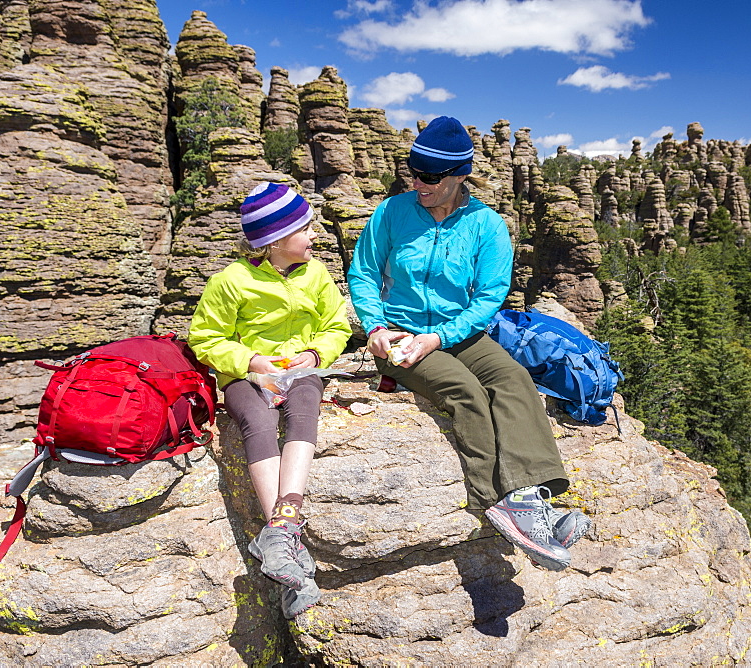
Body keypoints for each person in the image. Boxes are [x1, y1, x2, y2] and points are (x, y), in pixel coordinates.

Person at [347, 116, 590, 571]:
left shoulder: (487, 225)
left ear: (460, 175)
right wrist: (377, 329)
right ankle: (496, 500)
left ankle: (528, 498)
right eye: (414, 172)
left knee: (515, 379)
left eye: (431, 177)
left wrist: (439, 336)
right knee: (466, 393)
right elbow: (362, 272)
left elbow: (489, 298)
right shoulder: (392, 212)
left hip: (462, 333)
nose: (418, 182)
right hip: (400, 335)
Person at [188, 182, 351, 617]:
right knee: (256, 423)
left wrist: (314, 354)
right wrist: (252, 360)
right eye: (306, 229)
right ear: (276, 241)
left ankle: (281, 529)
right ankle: (287, 551)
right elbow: (205, 338)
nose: (314, 236)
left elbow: (336, 325)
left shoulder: (316, 275)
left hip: (301, 370)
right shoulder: (231, 282)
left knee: (304, 411)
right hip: (247, 374)